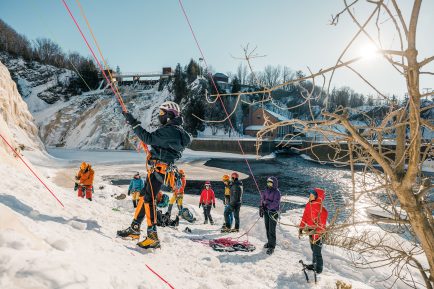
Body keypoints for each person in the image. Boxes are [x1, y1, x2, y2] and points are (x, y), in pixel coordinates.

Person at [117, 101, 192, 249]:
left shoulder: (170, 130)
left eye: (162, 114)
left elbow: (148, 138)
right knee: (144, 196)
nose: (160, 116)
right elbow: (164, 147)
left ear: (170, 116)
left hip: (159, 170)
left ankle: (152, 236)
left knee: (149, 199)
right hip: (160, 169)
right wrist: (155, 153)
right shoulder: (176, 131)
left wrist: (133, 122)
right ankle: (135, 227)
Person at [299, 188, 328, 274]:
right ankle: (314, 264)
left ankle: (319, 269)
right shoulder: (309, 205)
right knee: (313, 249)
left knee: (317, 251)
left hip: (319, 234)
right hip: (311, 231)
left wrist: (316, 236)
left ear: (317, 197)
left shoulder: (322, 211)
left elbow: (321, 227)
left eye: (312, 195)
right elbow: (305, 217)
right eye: (310, 195)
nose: (310, 196)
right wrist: (301, 228)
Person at [259, 176, 281, 255]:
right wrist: (261, 207)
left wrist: (267, 204)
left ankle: (272, 246)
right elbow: (262, 199)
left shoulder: (277, 192)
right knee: (267, 228)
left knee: (272, 230)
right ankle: (269, 242)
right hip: (266, 211)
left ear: (274, 184)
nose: (269, 184)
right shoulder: (266, 190)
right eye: (268, 182)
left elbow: (275, 203)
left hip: (273, 213)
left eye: (270, 183)